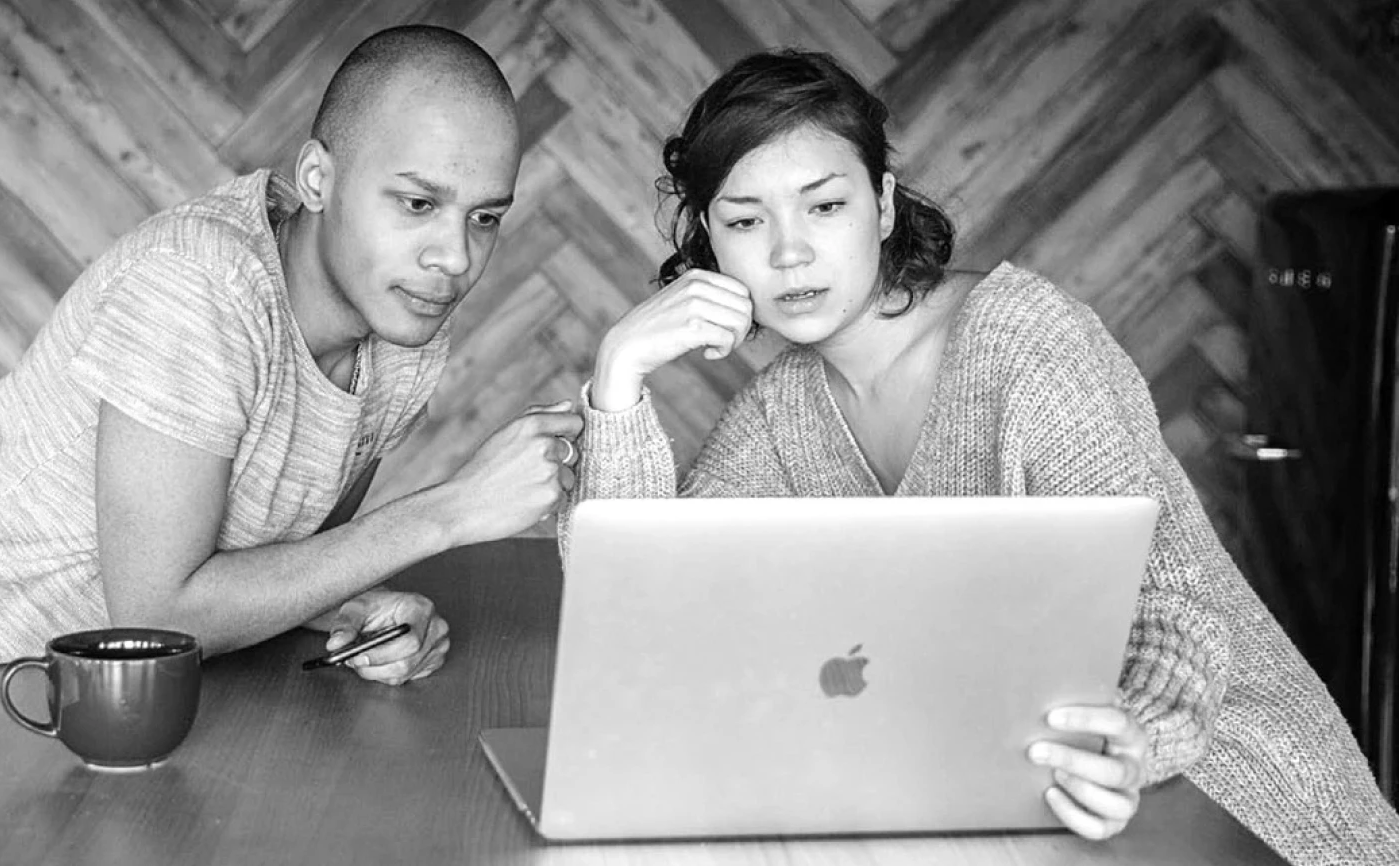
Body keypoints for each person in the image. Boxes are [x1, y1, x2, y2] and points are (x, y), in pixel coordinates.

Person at [565, 48, 1399, 863]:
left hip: (1227, 799)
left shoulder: (1027, 344)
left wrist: (1132, 739)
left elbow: (1174, 606)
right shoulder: (781, 414)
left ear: (884, 208)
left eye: (824, 207)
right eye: (746, 221)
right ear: (711, 243)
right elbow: (639, 612)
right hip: (1015, 803)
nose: (789, 253)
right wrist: (618, 379)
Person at [0, 25, 582, 852]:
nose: (453, 257)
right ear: (317, 179)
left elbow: (273, 560)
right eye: (417, 203)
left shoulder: (403, 331)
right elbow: (160, 612)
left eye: (485, 217)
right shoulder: (200, 285)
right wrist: (445, 514)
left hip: (60, 698)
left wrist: (358, 612)